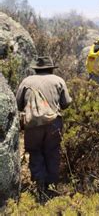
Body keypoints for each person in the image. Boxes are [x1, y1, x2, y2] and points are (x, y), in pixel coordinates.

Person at [16, 56, 72, 201]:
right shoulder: (58, 80)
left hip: (33, 125)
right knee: (52, 153)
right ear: (51, 68)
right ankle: (51, 189)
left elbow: (18, 104)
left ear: (35, 69)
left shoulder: (26, 81)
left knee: (35, 152)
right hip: (53, 123)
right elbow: (66, 103)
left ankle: (40, 186)